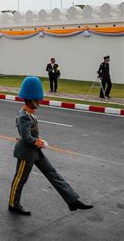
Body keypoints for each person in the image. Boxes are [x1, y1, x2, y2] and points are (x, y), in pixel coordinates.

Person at [8, 76, 93, 216]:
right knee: (20, 180)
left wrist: (38, 141)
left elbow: (30, 134)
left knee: (53, 174)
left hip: (35, 151)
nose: (39, 102)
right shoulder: (24, 115)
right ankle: (13, 204)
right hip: (26, 152)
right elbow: (27, 137)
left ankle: (73, 200)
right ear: (30, 100)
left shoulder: (30, 113)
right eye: (37, 100)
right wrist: (40, 142)